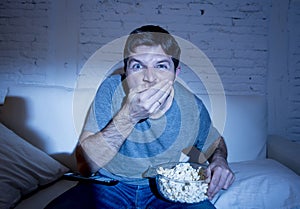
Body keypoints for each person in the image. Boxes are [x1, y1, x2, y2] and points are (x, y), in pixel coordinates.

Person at [46, 25, 234, 209]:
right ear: (126, 71)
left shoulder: (191, 105)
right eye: (138, 66)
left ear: (175, 73)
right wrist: (129, 116)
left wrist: (220, 161)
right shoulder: (111, 89)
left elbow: (215, 143)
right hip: (109, 185)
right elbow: (85, 166)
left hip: (166, 188)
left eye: (161, 66)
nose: (150, 78)